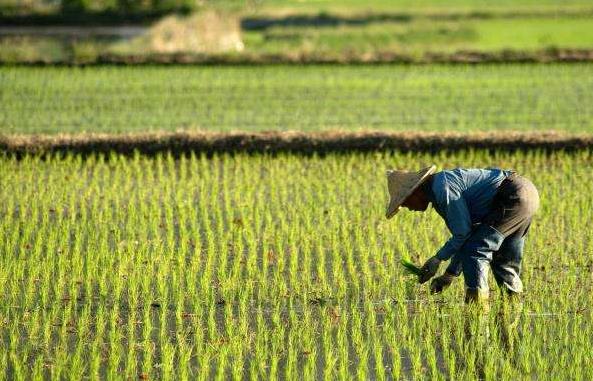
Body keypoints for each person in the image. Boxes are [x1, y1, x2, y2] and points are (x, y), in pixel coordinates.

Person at [385, 165, 539, 305]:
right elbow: (467, 236)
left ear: (415, 191)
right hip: (527, 193)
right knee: (503, 261)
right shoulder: (440, 186)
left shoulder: (442, 188)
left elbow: (463, 234)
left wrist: (437, 259)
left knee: (477, 250)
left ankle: (477, 308)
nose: (408, 208)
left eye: (404, 202)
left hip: (511, 196)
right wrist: (449, 275)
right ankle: (514, 306)